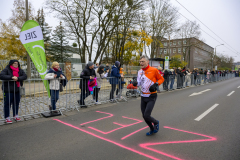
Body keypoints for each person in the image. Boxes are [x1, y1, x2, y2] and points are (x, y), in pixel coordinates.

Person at [133, 55, 164, 136]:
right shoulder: (139, 72)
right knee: (144, 116)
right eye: (140, 62)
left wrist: (156, 84)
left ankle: (156, 122)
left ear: (147, 62)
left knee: (147, 115)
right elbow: (139, 83)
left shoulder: (154, 70)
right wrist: (135, 83)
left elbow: (161, 79)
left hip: (151, 96)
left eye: (143, 61)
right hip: (143, 96)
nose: (141, 63)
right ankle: (152, 129)